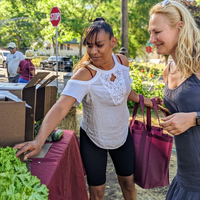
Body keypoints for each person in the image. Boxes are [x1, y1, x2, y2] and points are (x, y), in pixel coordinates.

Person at [14, 19, 161, 200]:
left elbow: (125, 89)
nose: (93, 51)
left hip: (122, 135)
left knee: (128, 184)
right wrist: (38, 140)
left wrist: (145, 100)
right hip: (93, 139)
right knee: (97, 193)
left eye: (99, 45)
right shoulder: (84, 74)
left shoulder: (122, 62)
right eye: (89, 45)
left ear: (113, 42)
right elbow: (61, 107)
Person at [149, 0, 200, 199]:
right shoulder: (167, 70)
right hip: (185, 178)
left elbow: (191, 115)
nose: (151, 39)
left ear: (179, 28)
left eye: (157, 32)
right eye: (150, 32)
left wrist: (193, 119)